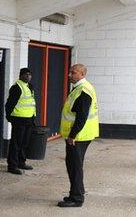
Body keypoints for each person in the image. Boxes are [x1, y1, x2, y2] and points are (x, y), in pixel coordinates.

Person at [57, 64, 99, 207]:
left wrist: (72, 136)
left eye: (73, 73)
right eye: (69, 72)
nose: (69, 75)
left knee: (74, 166)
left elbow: (82, 116)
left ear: (82, 74)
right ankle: (75, 194)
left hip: (78, 136)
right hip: (80, 135)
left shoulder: (83, 91)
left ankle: (76, 198)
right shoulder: (80, 88)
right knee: (73, 165)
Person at [5, 68, 36, 175]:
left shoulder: (30, 87)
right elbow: (9, 104)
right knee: (16, 143)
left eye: (30, 75)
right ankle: (12, 166)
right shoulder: (16, 88)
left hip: (29, 119)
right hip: (19, 120)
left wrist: (33, 117)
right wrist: (9, 117)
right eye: (26, 75)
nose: (28, 77)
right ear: (21, 76)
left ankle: (21, 162)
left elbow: (31, 103)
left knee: (24, 143)